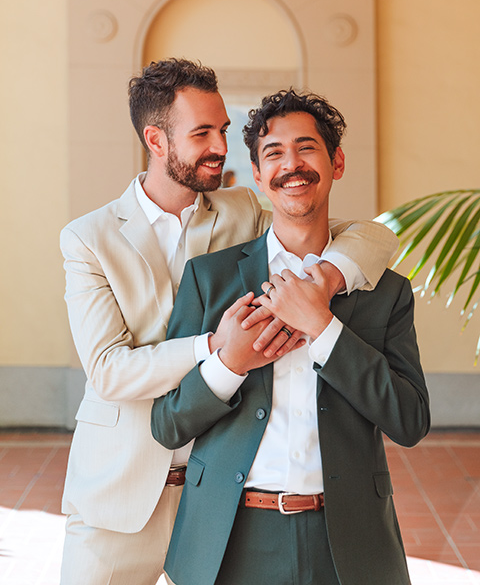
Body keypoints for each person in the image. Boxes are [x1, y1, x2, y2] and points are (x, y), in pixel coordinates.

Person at [59, 60, 398, 585]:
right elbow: (108, 370)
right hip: (119, 494)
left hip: (221, 496)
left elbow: (371, 237)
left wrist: (327, 280)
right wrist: (217, 347)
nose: (221, 145)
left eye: (221, 129)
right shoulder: (89, 239)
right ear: (156, 140)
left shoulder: (242, 209)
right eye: (202, 133)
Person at [151, 88, 430, 585]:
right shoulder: (209, 278)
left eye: (306, 148)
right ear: (257, 175)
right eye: (273, 153)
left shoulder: (386, 292)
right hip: (229, 541)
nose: (291, 165)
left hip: (347, 545)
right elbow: (168, 425)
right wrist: (228, 363)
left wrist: (324, 329)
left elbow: (409, 421)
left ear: (336, 161)